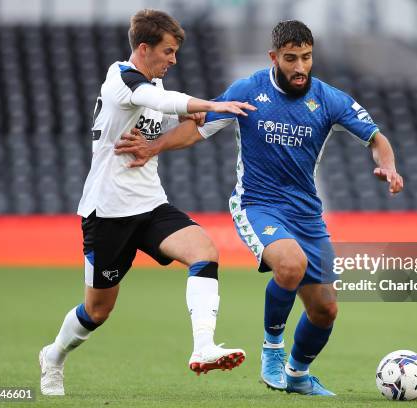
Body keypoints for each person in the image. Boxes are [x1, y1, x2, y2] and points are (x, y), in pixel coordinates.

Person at [114, 20, 403, 396]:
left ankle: (297, 375)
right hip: (258, 204)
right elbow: (198, 129)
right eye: (291, 58)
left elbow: (376, 138)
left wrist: (389, 166)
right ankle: (272, 352)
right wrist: (154, 146)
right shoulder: (250, 90)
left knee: (325, 310)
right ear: (274, 57)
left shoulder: (329, 98)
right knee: (289, 264)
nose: (300, 67)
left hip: (307, 214)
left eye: (306, 58)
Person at [39, 9, 255, 396]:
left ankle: (203, 346)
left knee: (205, 251)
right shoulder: (121, 79)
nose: (174, 59)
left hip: (151, 206)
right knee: (97, 312)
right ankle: (53, 356)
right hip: (107, 213)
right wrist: (204, 103)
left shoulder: (152, 91)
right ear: (144, 47)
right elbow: (161, 99)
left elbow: (187, 126)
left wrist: (224, 109)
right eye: (168, 51)